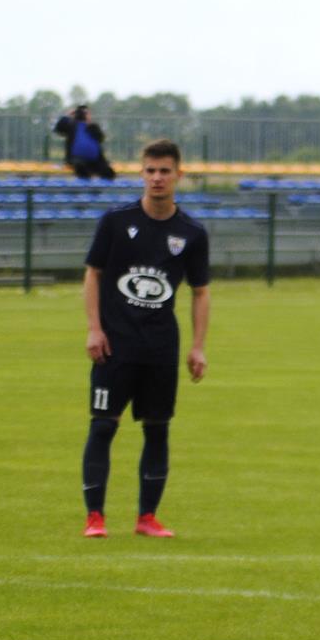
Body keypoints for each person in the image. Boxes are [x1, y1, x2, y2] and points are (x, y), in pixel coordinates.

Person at [80, 139, 211, 539]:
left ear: (178, 175)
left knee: (157, 428)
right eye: (150, 170)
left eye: (165, 171)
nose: (157, 178)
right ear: (141, 173)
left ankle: (146, 518)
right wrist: (94, 327)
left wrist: (198, 345)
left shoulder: (191, 232)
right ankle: (95, 518)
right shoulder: (116, 222)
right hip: (115, 345)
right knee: (103, 426)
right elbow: (93, 274)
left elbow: (200, 291)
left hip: (159, 347)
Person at [54, 105, 117, 181]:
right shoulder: (72, 125)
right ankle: (84, 189)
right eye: (83, 113)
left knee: (109, 173)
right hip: (78, 160)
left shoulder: (93, 127)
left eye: (86, 113)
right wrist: (69, 115)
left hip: (95, 161)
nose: (85, 115)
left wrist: (89, 125)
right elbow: (58, 128)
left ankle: (101, 190)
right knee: (81, 168)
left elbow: (101, 138)